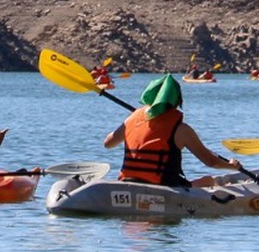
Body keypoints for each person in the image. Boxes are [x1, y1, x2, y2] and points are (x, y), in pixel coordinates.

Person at [102, 75, 242, 186]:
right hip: (163, 187)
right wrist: (231, 166)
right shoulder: (182, 130)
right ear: (176, 101)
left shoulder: (132, 119)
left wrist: (131, 124)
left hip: (128, 182)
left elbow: (107, 143)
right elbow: (211, 162)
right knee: (209, 181)